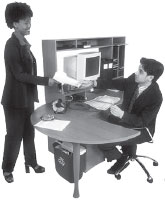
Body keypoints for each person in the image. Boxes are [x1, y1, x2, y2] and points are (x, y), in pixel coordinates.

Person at [1, 2, 58, 183]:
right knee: (14, 137)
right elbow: (20, 75)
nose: (29, 25)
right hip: (14, 101)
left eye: (30, 22)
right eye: (25, 22)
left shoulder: (23, 42)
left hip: (26, 99)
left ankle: (31, 163)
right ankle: (7, 169)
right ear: (15, 23)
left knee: (29, 134)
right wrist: (45, 81)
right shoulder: (11, 45)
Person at [95, 57, 164, 174]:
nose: (136, 73)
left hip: (141, 129)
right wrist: (95, 82)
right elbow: (118, 83)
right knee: (100, 120)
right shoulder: (134, 79)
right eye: (138, 69)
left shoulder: (156, 97)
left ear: (150, 78)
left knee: (102, 141)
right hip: (125, 120)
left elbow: (142, 121)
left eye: (141, 71)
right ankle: (127, 152)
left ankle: (121, 158)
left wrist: (122, 114)